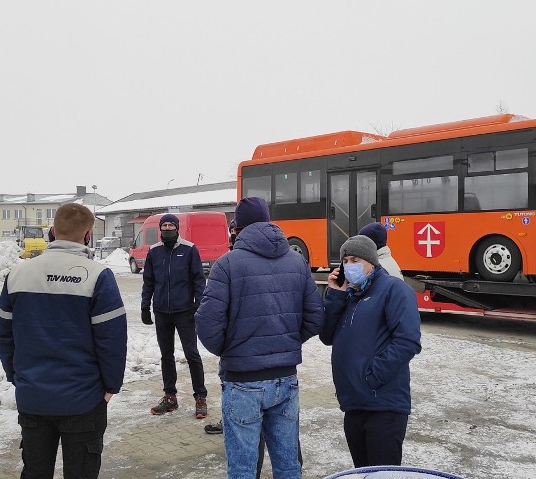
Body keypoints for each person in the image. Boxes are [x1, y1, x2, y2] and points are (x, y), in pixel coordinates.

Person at [0, 203, 127, 479]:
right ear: (88, 235)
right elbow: (112, 340)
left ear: (52, 232)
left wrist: (17, 376)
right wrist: (111, 385)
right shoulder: (97, 276)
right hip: (83, 399)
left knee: (35, 471)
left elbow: (3, 334)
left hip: (33, 398)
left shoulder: (17, 275)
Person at [195, 197, 324, 479]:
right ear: (268, 221)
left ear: (237, 228)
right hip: (285, 379)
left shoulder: (227, 264)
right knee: (288, 463)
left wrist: (230, 349)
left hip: (242, 381)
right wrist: (286, 342)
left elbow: (206, 322)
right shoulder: (297, 259)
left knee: (243, 468)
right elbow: (315, 318)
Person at [320, 235, 422, 468]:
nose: (349, 266)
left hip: (383, 406)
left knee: (382, 473)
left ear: (372, 262)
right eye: (345, 261)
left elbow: (408, 341)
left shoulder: (393, 289)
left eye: (355, 259)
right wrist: (335, 296)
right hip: (354, 405)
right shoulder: (350, 295)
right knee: (363, 472)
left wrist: (372, 377)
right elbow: (326, 336)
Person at [141, 213, 208, 418]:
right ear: (160, 229)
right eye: (165, 225)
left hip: (185, 312)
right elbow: (149, 281)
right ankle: (170, 397)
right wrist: (145, 306)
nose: (168, 228)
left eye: (171, 225)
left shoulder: (189, 249)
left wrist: (199, 304)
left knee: (192, 354)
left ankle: (200, 397)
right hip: (162, 312)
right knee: (166, 356)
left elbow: (198, 279)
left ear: (177, 228)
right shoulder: (154, 252)